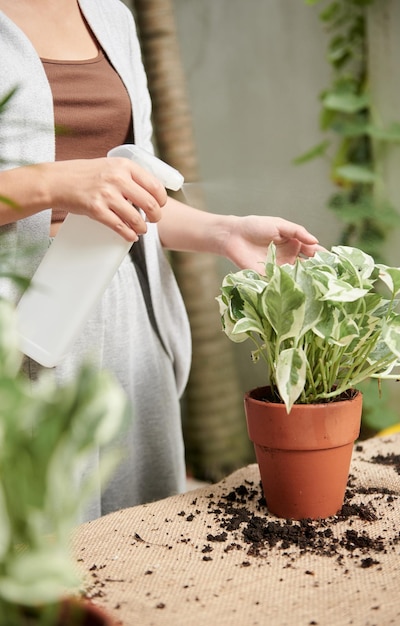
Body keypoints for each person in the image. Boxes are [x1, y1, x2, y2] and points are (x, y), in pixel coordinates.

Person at [0, 0, 322, 521]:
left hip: (125, 318)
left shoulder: (110, 17)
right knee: (37, 545)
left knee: (142, 537)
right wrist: (55, 181)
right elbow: (83, 185)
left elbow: (134, 196)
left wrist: (226, 231)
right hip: (18, 326)